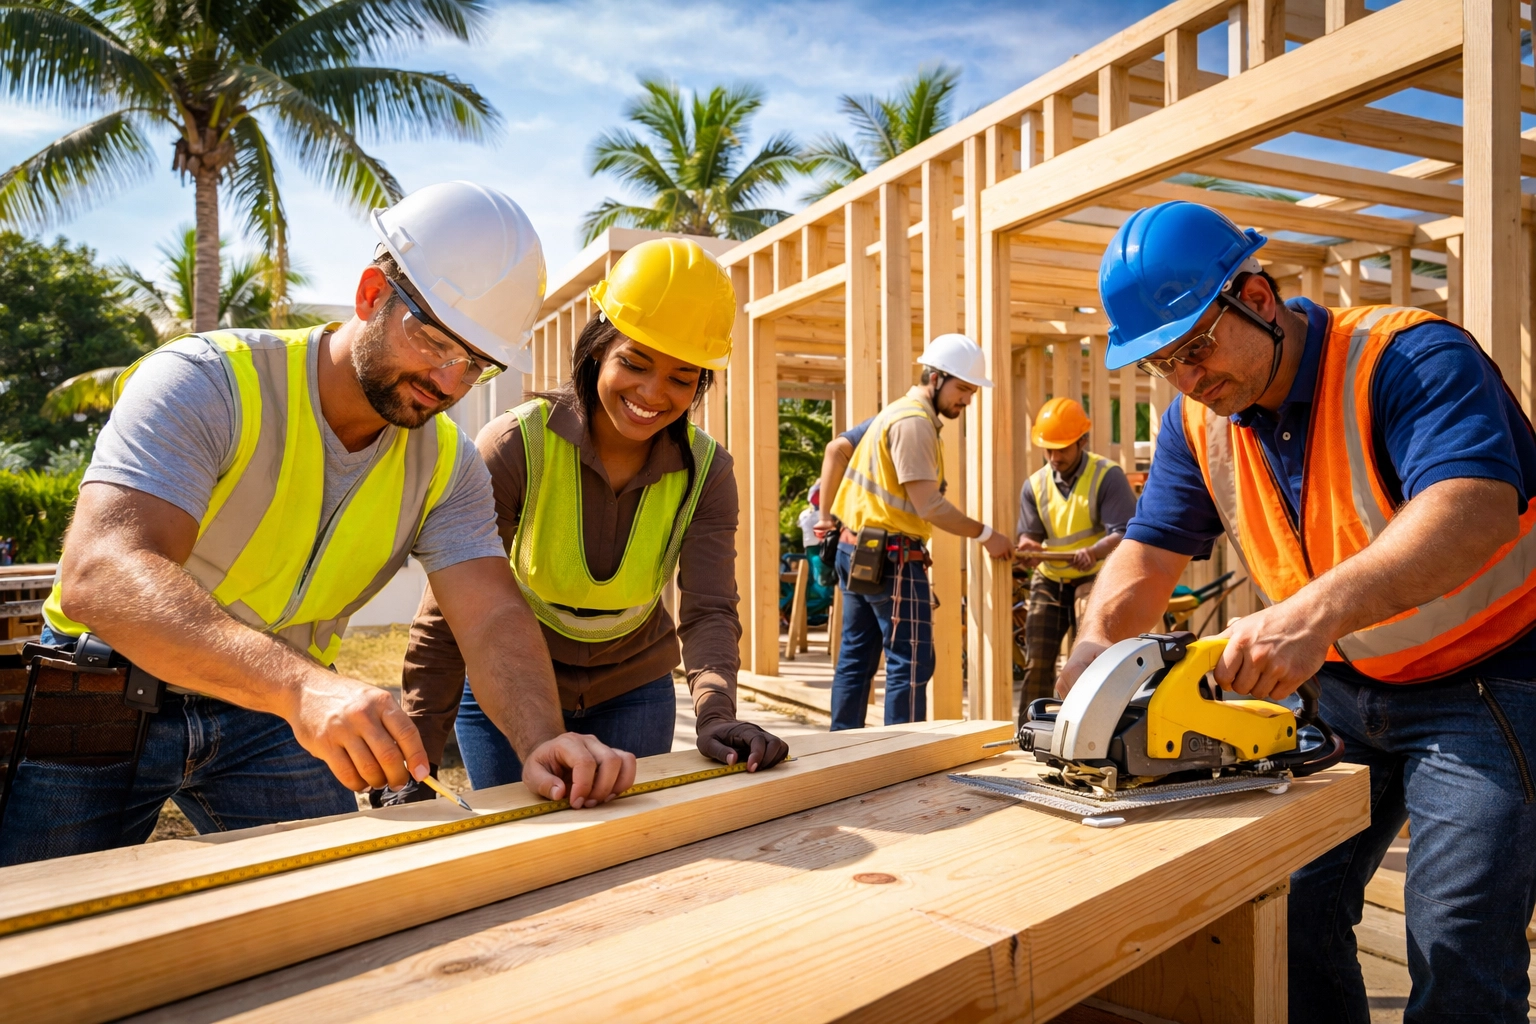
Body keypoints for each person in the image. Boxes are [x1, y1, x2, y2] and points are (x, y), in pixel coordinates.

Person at [0, 182, 637, 866]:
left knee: (336, 911)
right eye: (433, 340)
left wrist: (542, 738)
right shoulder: (209, 382)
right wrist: (302, 687)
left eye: (474, 365)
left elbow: (489, 616)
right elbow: (101, 572)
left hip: (268, 715)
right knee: (31, 930)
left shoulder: (447, 465)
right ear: (370, 295)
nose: (449, 383)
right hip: (107, 693)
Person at [1059, 200, 1536, 1022]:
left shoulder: (1408, 357)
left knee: (1458, 948)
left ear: (1258, 295)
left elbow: (1476, 506)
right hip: (1345, 692)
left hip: (1484, 686)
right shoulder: (1200, 422)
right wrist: (1099, 645)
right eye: (1165, 363)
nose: (1189, 377)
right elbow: (1148, 552)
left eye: (1198, 346)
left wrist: (1313, 615)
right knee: (1284, 912)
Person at [403, 238, 789, 790]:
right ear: (596, 349)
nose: (653, 393)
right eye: (635, 363)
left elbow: (708, 610)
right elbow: (451, 612)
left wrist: (716, 713)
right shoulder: (515, 446)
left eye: (683, 378)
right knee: (522, 854)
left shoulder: (708, 473)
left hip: (634, 691)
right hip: (510, 686)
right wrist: (415, 757)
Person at [827, 333, 1014, 730]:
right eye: (962, 388)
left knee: (857, 658)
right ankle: (902, 758)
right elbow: (930, 505)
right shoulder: (914, 424)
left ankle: (839, 748)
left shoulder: (894, 412)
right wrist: (986, 535)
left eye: (972, 391)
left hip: (859, 549)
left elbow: (837, 448)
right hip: (891, 556)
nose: (967, 399)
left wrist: (829, 520)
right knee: (910, 661)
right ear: (935, 377)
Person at [1014, 397, 1135, 717]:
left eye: (1062, 449)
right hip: (1052, 577)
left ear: (1082, 441)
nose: (1054, 457)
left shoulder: (1107, 476)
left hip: (1096, 577)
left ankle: (1094, 726)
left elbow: (1125, 532)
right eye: (1048, 449)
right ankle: (1030, 728)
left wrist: (1093, 552)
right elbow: (1030, 535)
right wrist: (1028, 547)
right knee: (1037, 661)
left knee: (1092, 658)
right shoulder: (1034, 485)